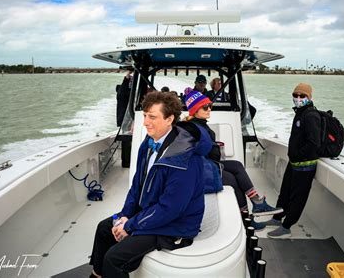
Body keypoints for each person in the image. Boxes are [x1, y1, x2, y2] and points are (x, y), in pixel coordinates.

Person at [89, 91, 212, 278]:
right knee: (104, 229)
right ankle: (97, 275)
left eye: (152, 117)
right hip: (151, 212)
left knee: (114, 259)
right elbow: (137, 185)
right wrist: (125, 215)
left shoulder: (184, 158)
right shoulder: (148, 143)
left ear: (170, 119)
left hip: (175, 225)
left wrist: (130, 226)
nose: (146, 122)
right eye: (145, 115)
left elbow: (171, 209)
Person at [182, 89, 283, 230]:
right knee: (233, 180)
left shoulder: (199, 124)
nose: (209, 109)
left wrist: (214, 148)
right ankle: (247, 218)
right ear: (195, 110)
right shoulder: (194, 128)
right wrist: (215, 149)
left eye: (210, 105)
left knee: (236, 165)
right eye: (205, 107)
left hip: (207, 165)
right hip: (200, 171)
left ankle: (257, 203)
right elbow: (198, 152)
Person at [263, 83, 321, 238]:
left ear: (309, 97)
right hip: (294, 163)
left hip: (305, 165)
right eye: (295, 95)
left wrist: (298, 155)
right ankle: (277, 218)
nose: (298, 98)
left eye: (302, 96)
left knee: (297, 197)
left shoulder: (311, 115)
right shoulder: (300, 113)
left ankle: (286, 226)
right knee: (285, 193)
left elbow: (314, 144)